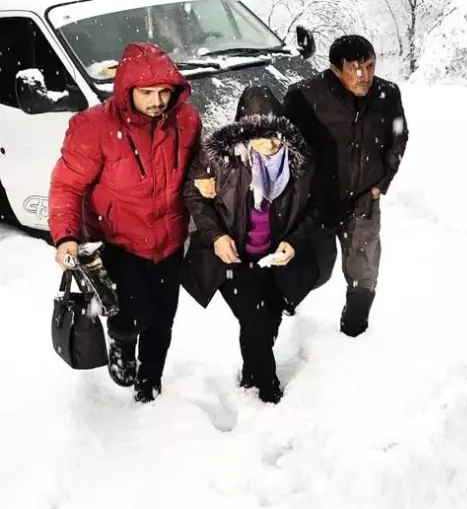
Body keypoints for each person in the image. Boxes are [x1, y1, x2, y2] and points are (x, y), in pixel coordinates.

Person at [49, 42, 202, 402]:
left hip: (169, 240)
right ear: (126, 90)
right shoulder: (93, 127)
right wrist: (65, 236)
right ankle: (121, 347)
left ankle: (150, 380)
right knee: (131, 314)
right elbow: (66, 185)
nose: (157, 101)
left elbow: (199, 171)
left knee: (162, 319)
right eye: (146, 92)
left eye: (164, 91)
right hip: (118, 241)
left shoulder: (187, 120)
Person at [182, 87, 333, 403]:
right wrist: (216, 236)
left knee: (269, 318)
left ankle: (251, 372)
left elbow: (317, 206)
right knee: (255, 320)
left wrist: (293, 242)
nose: (270, 142)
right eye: (259, 133)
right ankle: (267, 390)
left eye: (275, 131)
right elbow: (193, 195)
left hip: (276, 257)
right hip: (233, 258)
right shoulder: (218, 157)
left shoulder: (300, 160)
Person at [282, 35, 408, 337]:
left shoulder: (388, 94)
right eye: (356, 68)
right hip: (317, 202)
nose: (364, 75)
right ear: (337, 69)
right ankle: (284, 303)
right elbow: (286, 149)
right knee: (308, 264)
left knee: (363, 272)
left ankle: (354, 332)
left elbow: (399, 137)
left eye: (370, 66)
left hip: (364, 198)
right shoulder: (305, 96)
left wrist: (381, 184)